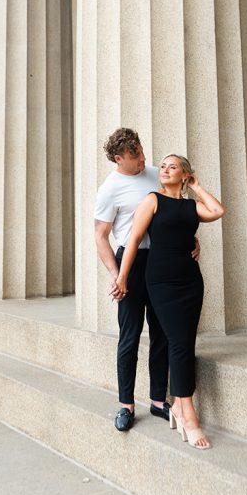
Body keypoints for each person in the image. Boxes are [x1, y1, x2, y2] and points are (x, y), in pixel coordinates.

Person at [115, 155, 224, 450]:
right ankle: (188, 414)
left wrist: (197, 186)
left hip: (191, 281)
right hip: (161, 281)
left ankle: (178, 405)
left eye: (172, 166)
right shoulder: (153, 200)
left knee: (186, 342)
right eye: (162, 166)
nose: (164, 170)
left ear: (184, 174)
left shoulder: (191, 206)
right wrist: (122, 277)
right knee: (177, 342)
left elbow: (218, 211)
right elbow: (134, 239)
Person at [94, 129, 199, 432]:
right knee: (129, 334)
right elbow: (100, 236)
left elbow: (175, 212)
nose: (143, 158)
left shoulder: (155, 174)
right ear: (118, 159)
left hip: (163, 263)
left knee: (162, 332)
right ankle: (126, 404)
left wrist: (191, 239)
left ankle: (157, 400)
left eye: (141, 151)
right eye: (135, 155)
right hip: (130, 262)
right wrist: (116, 274)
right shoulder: (109, 189)